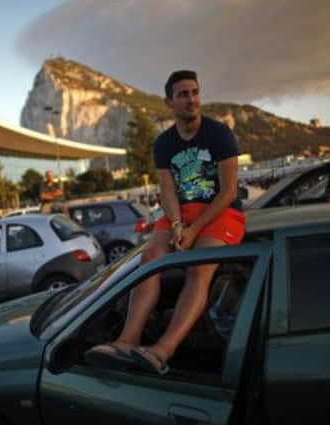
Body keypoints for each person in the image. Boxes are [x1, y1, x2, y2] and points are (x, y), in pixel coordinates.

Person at [85, 70, 246, 374]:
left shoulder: (219, 134)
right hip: (181, 213)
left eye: (195, 92)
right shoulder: (164, 144)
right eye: (183, 94)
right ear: (169, 102)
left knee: (199, 267)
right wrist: (175, 225)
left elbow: (228, 192)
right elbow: (168, 191)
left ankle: (162, 350)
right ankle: (127, 340)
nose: (192, 99)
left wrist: (194, 230)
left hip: (220, 212)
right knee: (149, 259)